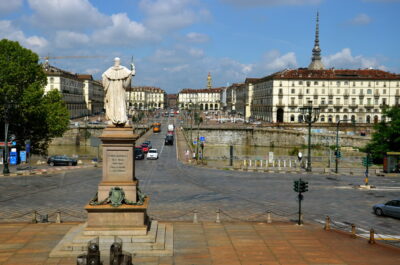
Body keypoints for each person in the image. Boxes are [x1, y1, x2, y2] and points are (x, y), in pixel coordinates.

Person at [102, 57, 136, 126]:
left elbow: (104, 77)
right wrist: (132, 71)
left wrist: (131, 72)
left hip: (117, 89)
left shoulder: (111, 70)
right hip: (115, 90)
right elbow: (131, 74)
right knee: (115, 103)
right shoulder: (121, 69)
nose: (117, 62)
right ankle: (114, 119)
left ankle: (121, 119)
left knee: (119, 103)